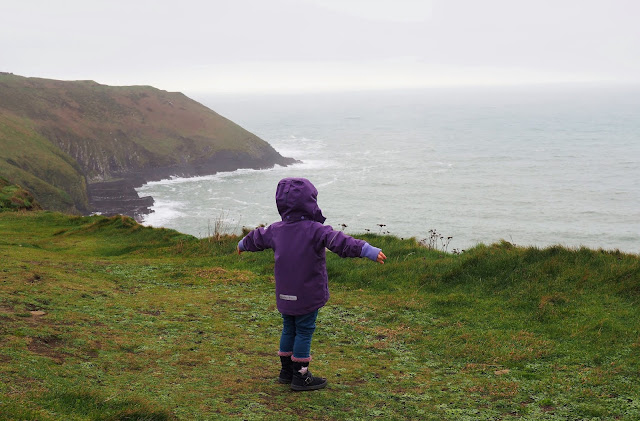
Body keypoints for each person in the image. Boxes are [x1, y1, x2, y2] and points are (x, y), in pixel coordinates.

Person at [237, 177, 386, 391]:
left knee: (289, 328)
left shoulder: (275, 229)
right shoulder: (316, 229)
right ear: (310, 202)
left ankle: (286, 371)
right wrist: (367, 250)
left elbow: (255, 238)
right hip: (307, 294)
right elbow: (341, 242)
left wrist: (242, 244)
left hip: (284, 293)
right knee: (304, 330)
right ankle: (301, 376)